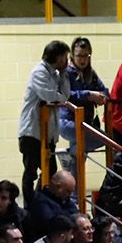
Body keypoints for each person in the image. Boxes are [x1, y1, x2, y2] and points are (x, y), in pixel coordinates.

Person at [18, 40, 79, 199]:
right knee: (31, 172)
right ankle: (30, 205)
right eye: (65, 57)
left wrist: (65, 74)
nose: (67, 60)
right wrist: (60, 99)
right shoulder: (39, 72)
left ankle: (41, 201)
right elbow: (49, 96)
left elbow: (64, 96)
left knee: (50, 174)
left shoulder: (57, 74)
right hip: (32, 132)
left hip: (48, 133)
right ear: (58, 57)